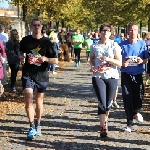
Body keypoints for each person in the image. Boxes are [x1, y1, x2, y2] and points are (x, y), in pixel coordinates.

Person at [19, 18, 58, 140]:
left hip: (42, 75)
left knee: (39, 101)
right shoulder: (25, 40)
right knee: (28, 100)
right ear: (31, 27)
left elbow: (55, 60)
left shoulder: (47, 42)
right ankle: (31, 126)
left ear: (41, 27)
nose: (36, 27)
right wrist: (21, 57)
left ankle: (38, 124)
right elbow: (20, 53)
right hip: (28, 73)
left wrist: (45, 59)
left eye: (38, 25)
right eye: (34, 25)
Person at [90, 23, 122, 138]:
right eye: (103, 30)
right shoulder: (94, 46)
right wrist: (93, 66)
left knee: (108, 104)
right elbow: (92, 59)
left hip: (112, 76)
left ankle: (105, 122)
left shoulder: (115, 45)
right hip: (98, 76)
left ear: (111, 33)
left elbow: (119, 62)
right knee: (102, 101)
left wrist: (108, 59)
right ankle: (103, 127)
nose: (105, 32)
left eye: (108, 31)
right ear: (100, 32)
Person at [120, 22, 149, 133]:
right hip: (126, 74)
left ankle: (135, 111)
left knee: (139, 97)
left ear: (138, 32)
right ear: (128, 31)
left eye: (135, 30)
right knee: (127, 97)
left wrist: (142, 61)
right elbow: (118, 60)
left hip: (138, 75)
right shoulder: (122, 44)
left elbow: (146, 59)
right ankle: (129, 123)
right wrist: (123, 63)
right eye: (131, 30)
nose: (133, 32)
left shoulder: (142, 44)